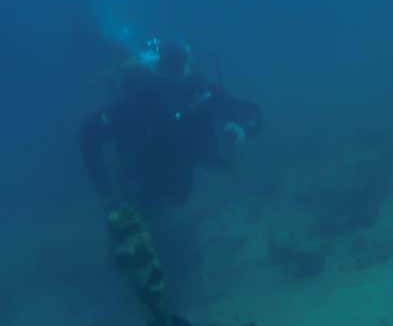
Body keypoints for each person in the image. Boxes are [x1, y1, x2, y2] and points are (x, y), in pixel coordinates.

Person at [79, 37, 262, 211]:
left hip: (173, 177)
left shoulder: (199, 91)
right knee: (147, 199)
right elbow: (89, 133)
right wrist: (106, 191)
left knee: (176, 197)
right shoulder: (138, 100)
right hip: (139, 177)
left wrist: (241, 128)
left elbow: (250, 113)